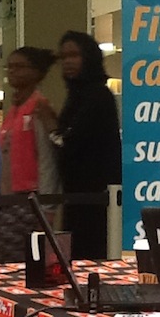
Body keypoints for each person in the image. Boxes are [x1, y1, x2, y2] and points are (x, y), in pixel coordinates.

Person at [46, 31, 121, 260]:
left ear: (88, 57)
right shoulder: (76, 97)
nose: (68, 62)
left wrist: (51, 127)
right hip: (76, 196)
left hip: (95, 199)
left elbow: (72, 143)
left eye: (74, 55)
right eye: (64, 56)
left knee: (89, 257)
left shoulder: (98, 96)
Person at [0, 46, 60, 263]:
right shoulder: (14, 110)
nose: (12, 71)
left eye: (19, 67)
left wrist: (46, 208)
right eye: (9, 67)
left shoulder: (39, 108)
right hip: (7, 200)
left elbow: (47, 160)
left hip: (29, 201)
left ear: (36, 72)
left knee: (1, 262)